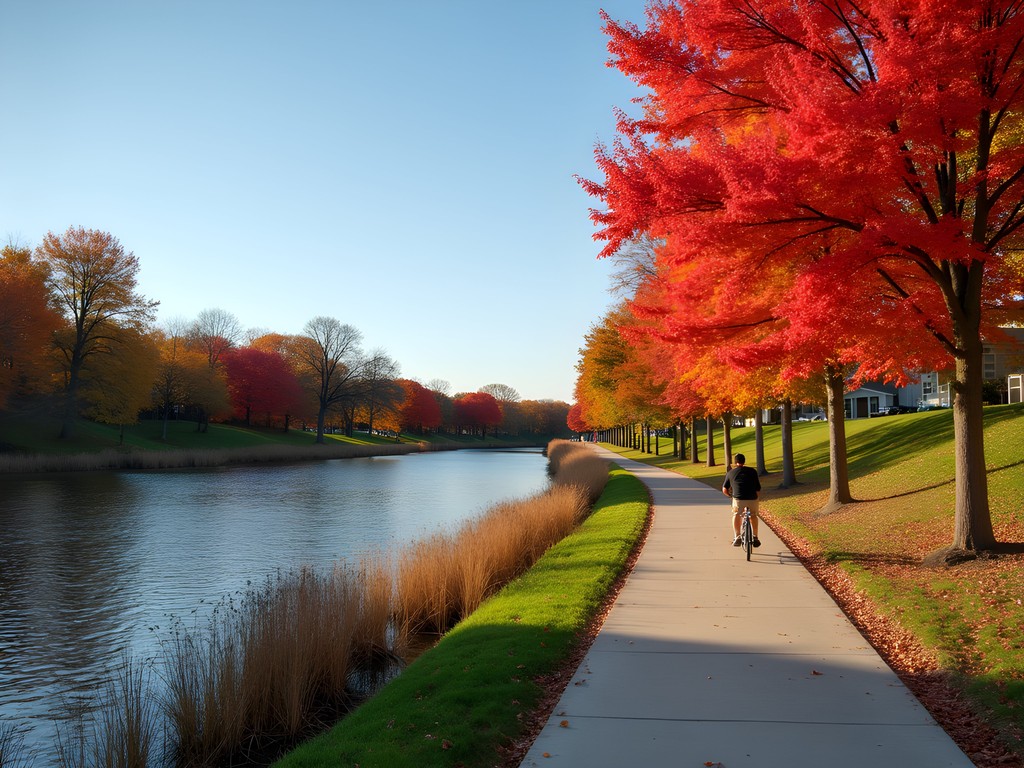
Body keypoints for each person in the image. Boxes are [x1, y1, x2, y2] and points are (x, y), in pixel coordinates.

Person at [721, 453, 761, 547]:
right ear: (744, 461)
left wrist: (731, 496)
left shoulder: (731, 473)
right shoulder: (752, 471)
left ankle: (737, 536)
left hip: (738, 498)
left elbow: (724, 489)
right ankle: (755, 536)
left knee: (737, 514)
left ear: (735, 463)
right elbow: (758, 489)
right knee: (753, 515)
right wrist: (756, 498)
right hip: (752, 498)